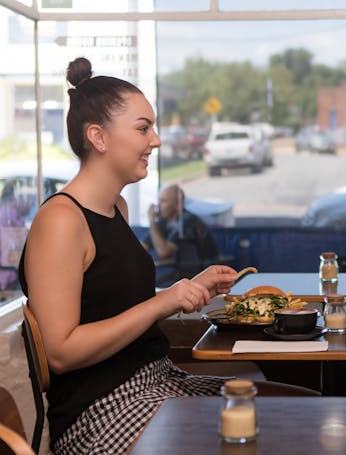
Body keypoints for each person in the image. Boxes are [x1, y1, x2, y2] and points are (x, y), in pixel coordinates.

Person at [18, 57, 240, 455]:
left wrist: (184, 288)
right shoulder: (61, 221)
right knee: (267, 426)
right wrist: (165, 302)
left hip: (159, 381)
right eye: (143, 128)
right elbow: (61, 351)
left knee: (291, 403)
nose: (155, 140)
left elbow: (115, 304)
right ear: (98, 137)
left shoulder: (116, 206)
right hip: (104, 412)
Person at [142, 184, 219, 264]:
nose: (158, 205)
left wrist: (152, 221)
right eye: (158, 201)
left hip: (203, 270)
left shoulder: (188, 221)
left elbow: (164, 252)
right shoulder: (164, 221)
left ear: (178, 205)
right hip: (182, 271)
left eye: (163, 201)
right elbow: (142, 248)